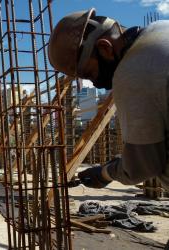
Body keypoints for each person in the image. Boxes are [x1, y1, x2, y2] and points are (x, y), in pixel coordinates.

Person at [48, 8, 169, 191]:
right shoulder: (161, 28)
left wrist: (104, 173)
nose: (95, 84)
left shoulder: (131, 72)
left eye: (89, 74)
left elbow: (141, 167)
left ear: (104, 48)